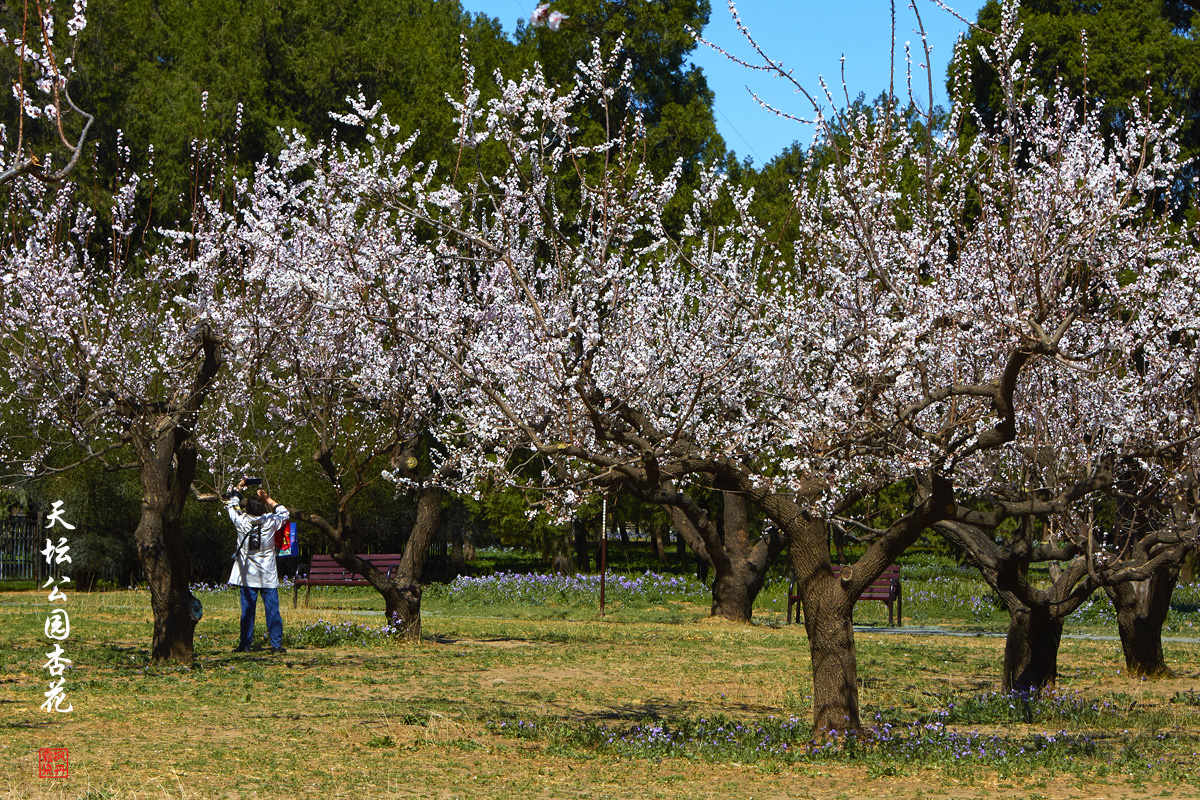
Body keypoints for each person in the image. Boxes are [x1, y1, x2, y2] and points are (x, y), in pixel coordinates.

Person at [226, 479, 290, 654]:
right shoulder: (270, 521)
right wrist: (268, 499)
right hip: (267, 574)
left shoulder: (241, 520)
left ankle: (245, 644)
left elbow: (232, 504)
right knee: (273, 611)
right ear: (263, 509)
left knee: (247, 611)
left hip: (247, 574)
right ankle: (276, 644)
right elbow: (284, 513)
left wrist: (239, 487)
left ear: (247, 510)